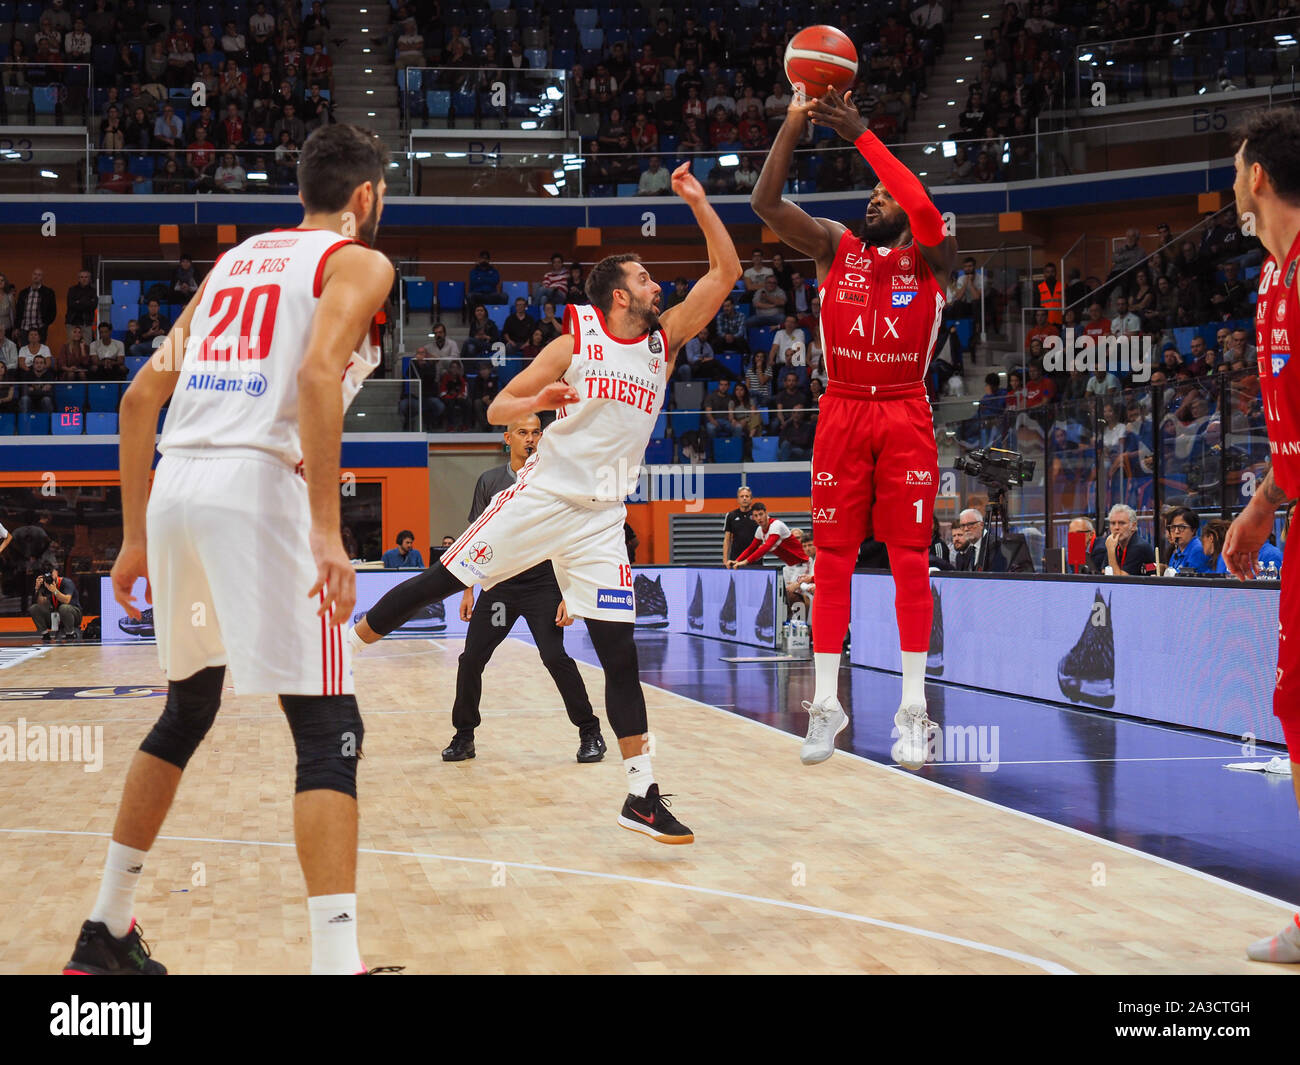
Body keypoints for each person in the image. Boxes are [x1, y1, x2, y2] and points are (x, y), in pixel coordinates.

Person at [63, 124, 393, 977]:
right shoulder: (358, 262)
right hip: (255, 487)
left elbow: (141, 399)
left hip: (177, 484)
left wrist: (134, 536)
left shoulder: (237, 262)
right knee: (328, 722)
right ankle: (336, 963)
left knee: (188, 706)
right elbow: (321, 377)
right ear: (364, 198)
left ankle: (104, 929)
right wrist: (327, 530)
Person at [348, 163, 741, 845]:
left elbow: (724, 273)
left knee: (619, 653)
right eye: (645, 278)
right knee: (446, 579)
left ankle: (641, 794)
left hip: (601, 517)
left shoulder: (662, 342)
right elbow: (499, 406)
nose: (657, 286)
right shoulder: (575, 341)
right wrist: (539, 400)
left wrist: (700, 202)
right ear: (618, 294)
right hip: (544, 495)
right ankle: (339, 650)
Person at [752, 87, 957, 770]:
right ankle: (828, 704)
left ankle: (912, 705)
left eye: (884, 195)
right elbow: (765, 204)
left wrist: (864, 135)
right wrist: (789, 126)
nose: (874, 199)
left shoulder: (932, 256)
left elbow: (923, 209)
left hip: (904, 409)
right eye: (870, 191)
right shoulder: (835, 245)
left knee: (908, 561)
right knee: (832, 557)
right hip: (841, 408)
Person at [1223, 109, 1300, 966]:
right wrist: (1262, 503)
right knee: (1297, 713)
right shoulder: (1272, 281)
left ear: (1257, 179)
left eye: (1235, 170)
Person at [444, 415, 608, 763]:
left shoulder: (555, 483)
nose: (530, 439)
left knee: (553, 657)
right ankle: (464, 736)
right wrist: (468, 588)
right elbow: (477, 539)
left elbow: (570, 540)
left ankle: (590, 732)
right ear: (508, 438)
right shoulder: (490, 481)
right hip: (500, 585)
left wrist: (569, 593)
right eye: (523, 433)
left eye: (536, 433)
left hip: (543, 585)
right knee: (471, 658)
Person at [728, 501, 809, 569]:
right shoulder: (760, 530)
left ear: (766, 513)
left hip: (803, 563)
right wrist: (737, 560)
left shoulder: (776, 525)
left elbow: (766, 547)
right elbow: (751, 548)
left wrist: (745, 562)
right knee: (789, 588)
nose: (759, 518)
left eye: (761, 514)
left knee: (799, 587)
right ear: (753, 518)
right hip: (791, 566)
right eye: (756, 516)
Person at [1088, 503, 1155, 575]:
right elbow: (1104, 572)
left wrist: (1111, 551)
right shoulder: (1114, 545)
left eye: (1121, 523)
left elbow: (1119, 581)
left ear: (1133, 526)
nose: (1116, 527)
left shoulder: (1139, 546)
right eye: (1113, 523)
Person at [30, 565, 81, 641]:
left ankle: (70, 633)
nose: (49, 575)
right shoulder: (45, 584)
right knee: (34, 608)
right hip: (55, 615)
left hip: (73, 615)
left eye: (51, 573)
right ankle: (45, 635)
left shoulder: (67, 582)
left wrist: (55, 591)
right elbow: (41, 603)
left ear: (56, 572)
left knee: (64, 608)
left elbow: (67, 600)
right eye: (47, 574)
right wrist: (38, 589)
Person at [1162, 506, 1208, 574]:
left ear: (1193, 530)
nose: (1176, 531)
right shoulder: (1177, 550)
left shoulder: (1198, 550)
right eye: (1173, 527)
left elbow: (1191, 581)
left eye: (1181, 527)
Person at [722, 485, 757, 565]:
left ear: (751, 499)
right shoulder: (731, 515)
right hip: (736, 559)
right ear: (737, 499)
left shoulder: (757, 515)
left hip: (754, 559)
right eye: (742, 496)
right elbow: (727, 540)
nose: (744, 498)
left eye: (747, 496)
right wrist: (725, 561)